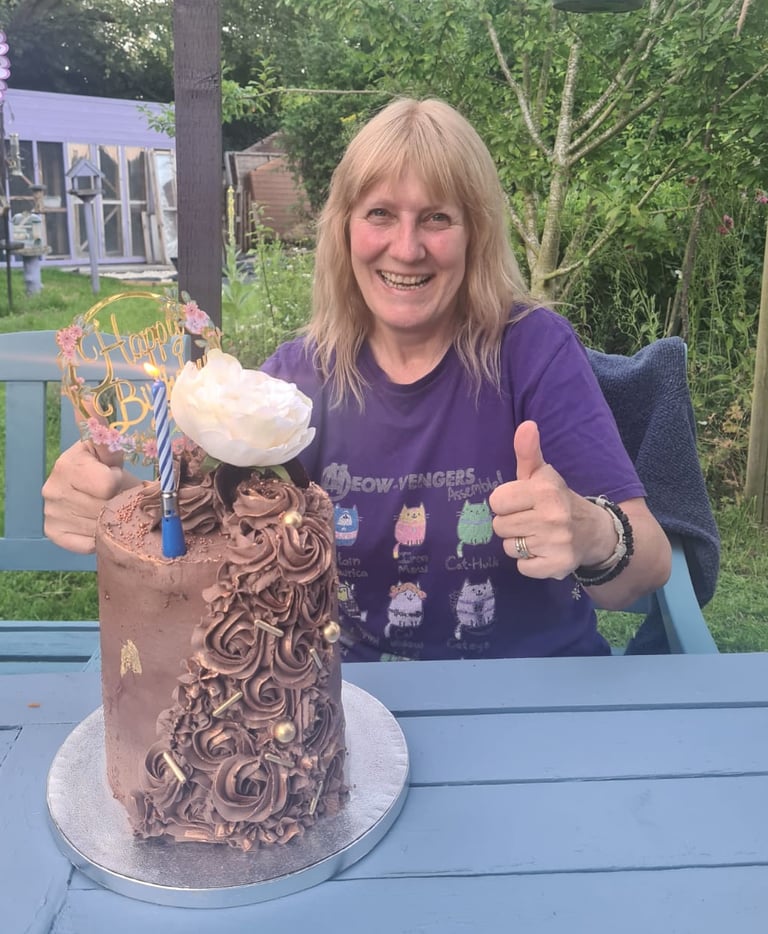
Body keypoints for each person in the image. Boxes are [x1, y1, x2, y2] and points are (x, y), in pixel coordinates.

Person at [43, 97, 671, 662]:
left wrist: (590, 532)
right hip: (351, 709)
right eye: (379, 214)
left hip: (532, 692)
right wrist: (122, 503)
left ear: (476, 233)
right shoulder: (292, 386)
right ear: (343, 230)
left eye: (436, 218)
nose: (405, 247)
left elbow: (647, 565)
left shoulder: (533, 349)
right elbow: (209, 540)